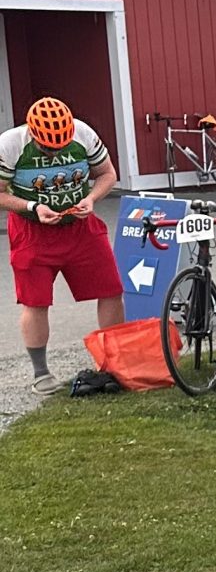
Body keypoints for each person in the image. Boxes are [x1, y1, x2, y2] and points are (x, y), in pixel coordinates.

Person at [2, 97, 125, 381]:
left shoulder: (83, 133)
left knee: (111, 289)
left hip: (80, 226)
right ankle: (41, 373)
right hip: (32, 229)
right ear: (32, 132)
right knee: (35, 301)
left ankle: (113, 364)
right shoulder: (9, 145)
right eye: (47, 148)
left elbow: (107, 174)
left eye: (59, 146)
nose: (53, 154)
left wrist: (92, 198)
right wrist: (32, 207)